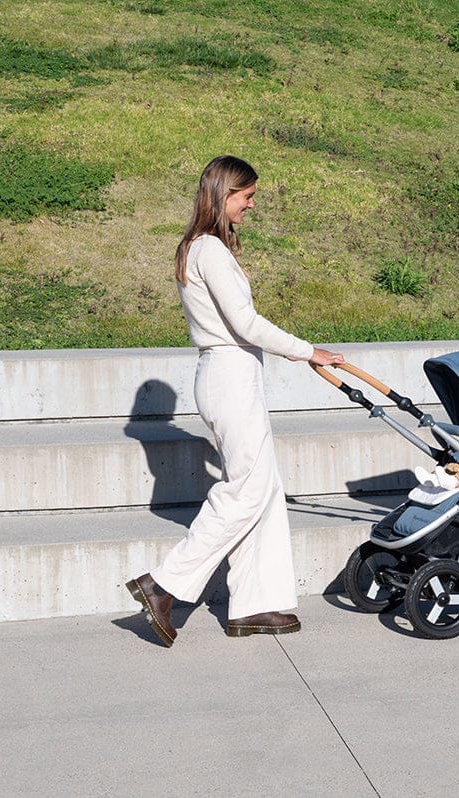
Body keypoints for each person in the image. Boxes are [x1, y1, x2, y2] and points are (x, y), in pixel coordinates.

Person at [126, 155, 344, 646]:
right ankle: (163, 585)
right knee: (246, 491)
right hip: (230, 375)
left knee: (263, 490)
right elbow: (245, 324)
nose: (251, 205)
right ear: (223, 193)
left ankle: (254, 604)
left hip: (229, 375)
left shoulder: (198, 248)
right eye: (247, 196)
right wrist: (308, 352)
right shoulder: (208, 250)